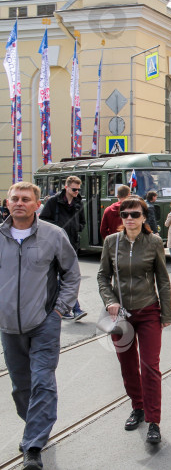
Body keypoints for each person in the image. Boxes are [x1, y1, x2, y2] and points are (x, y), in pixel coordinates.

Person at [0, 182, 81, 469]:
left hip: (44, 322)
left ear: (37, 204)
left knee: (42, 382)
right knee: (21, 387)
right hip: (8, 326)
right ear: (7, 203)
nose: (19, 203)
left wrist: (60, 309)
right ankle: (36, 426)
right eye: (15, 199)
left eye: (25, 199)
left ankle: (33, 445)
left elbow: (72, 273)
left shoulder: (52, 235)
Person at [97, 196, 171, 443]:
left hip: (148, 310)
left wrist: (166, 313)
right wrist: (110, 301)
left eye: (135, 214)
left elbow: (162, 279)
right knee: (128, 366)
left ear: (144, 217)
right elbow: (102, 277)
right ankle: (137, 407)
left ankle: (153, 421)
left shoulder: (153, 242)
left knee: (150, 366)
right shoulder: (111, 242)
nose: (129, 218)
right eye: (125, 214)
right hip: (120, 314)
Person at [39, 175, 87, 321]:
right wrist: (57, 230)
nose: (76, 192)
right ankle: (75, 309)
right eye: (74, 189)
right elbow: (43, 219)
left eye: (79, 189)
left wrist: (77, 228)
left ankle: (65, 309)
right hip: (54, 244)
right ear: (66, 187)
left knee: (68, 276)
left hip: (71, 244)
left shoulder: (78, 203)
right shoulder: (54, 201)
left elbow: (82, 221)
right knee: (63, 276)